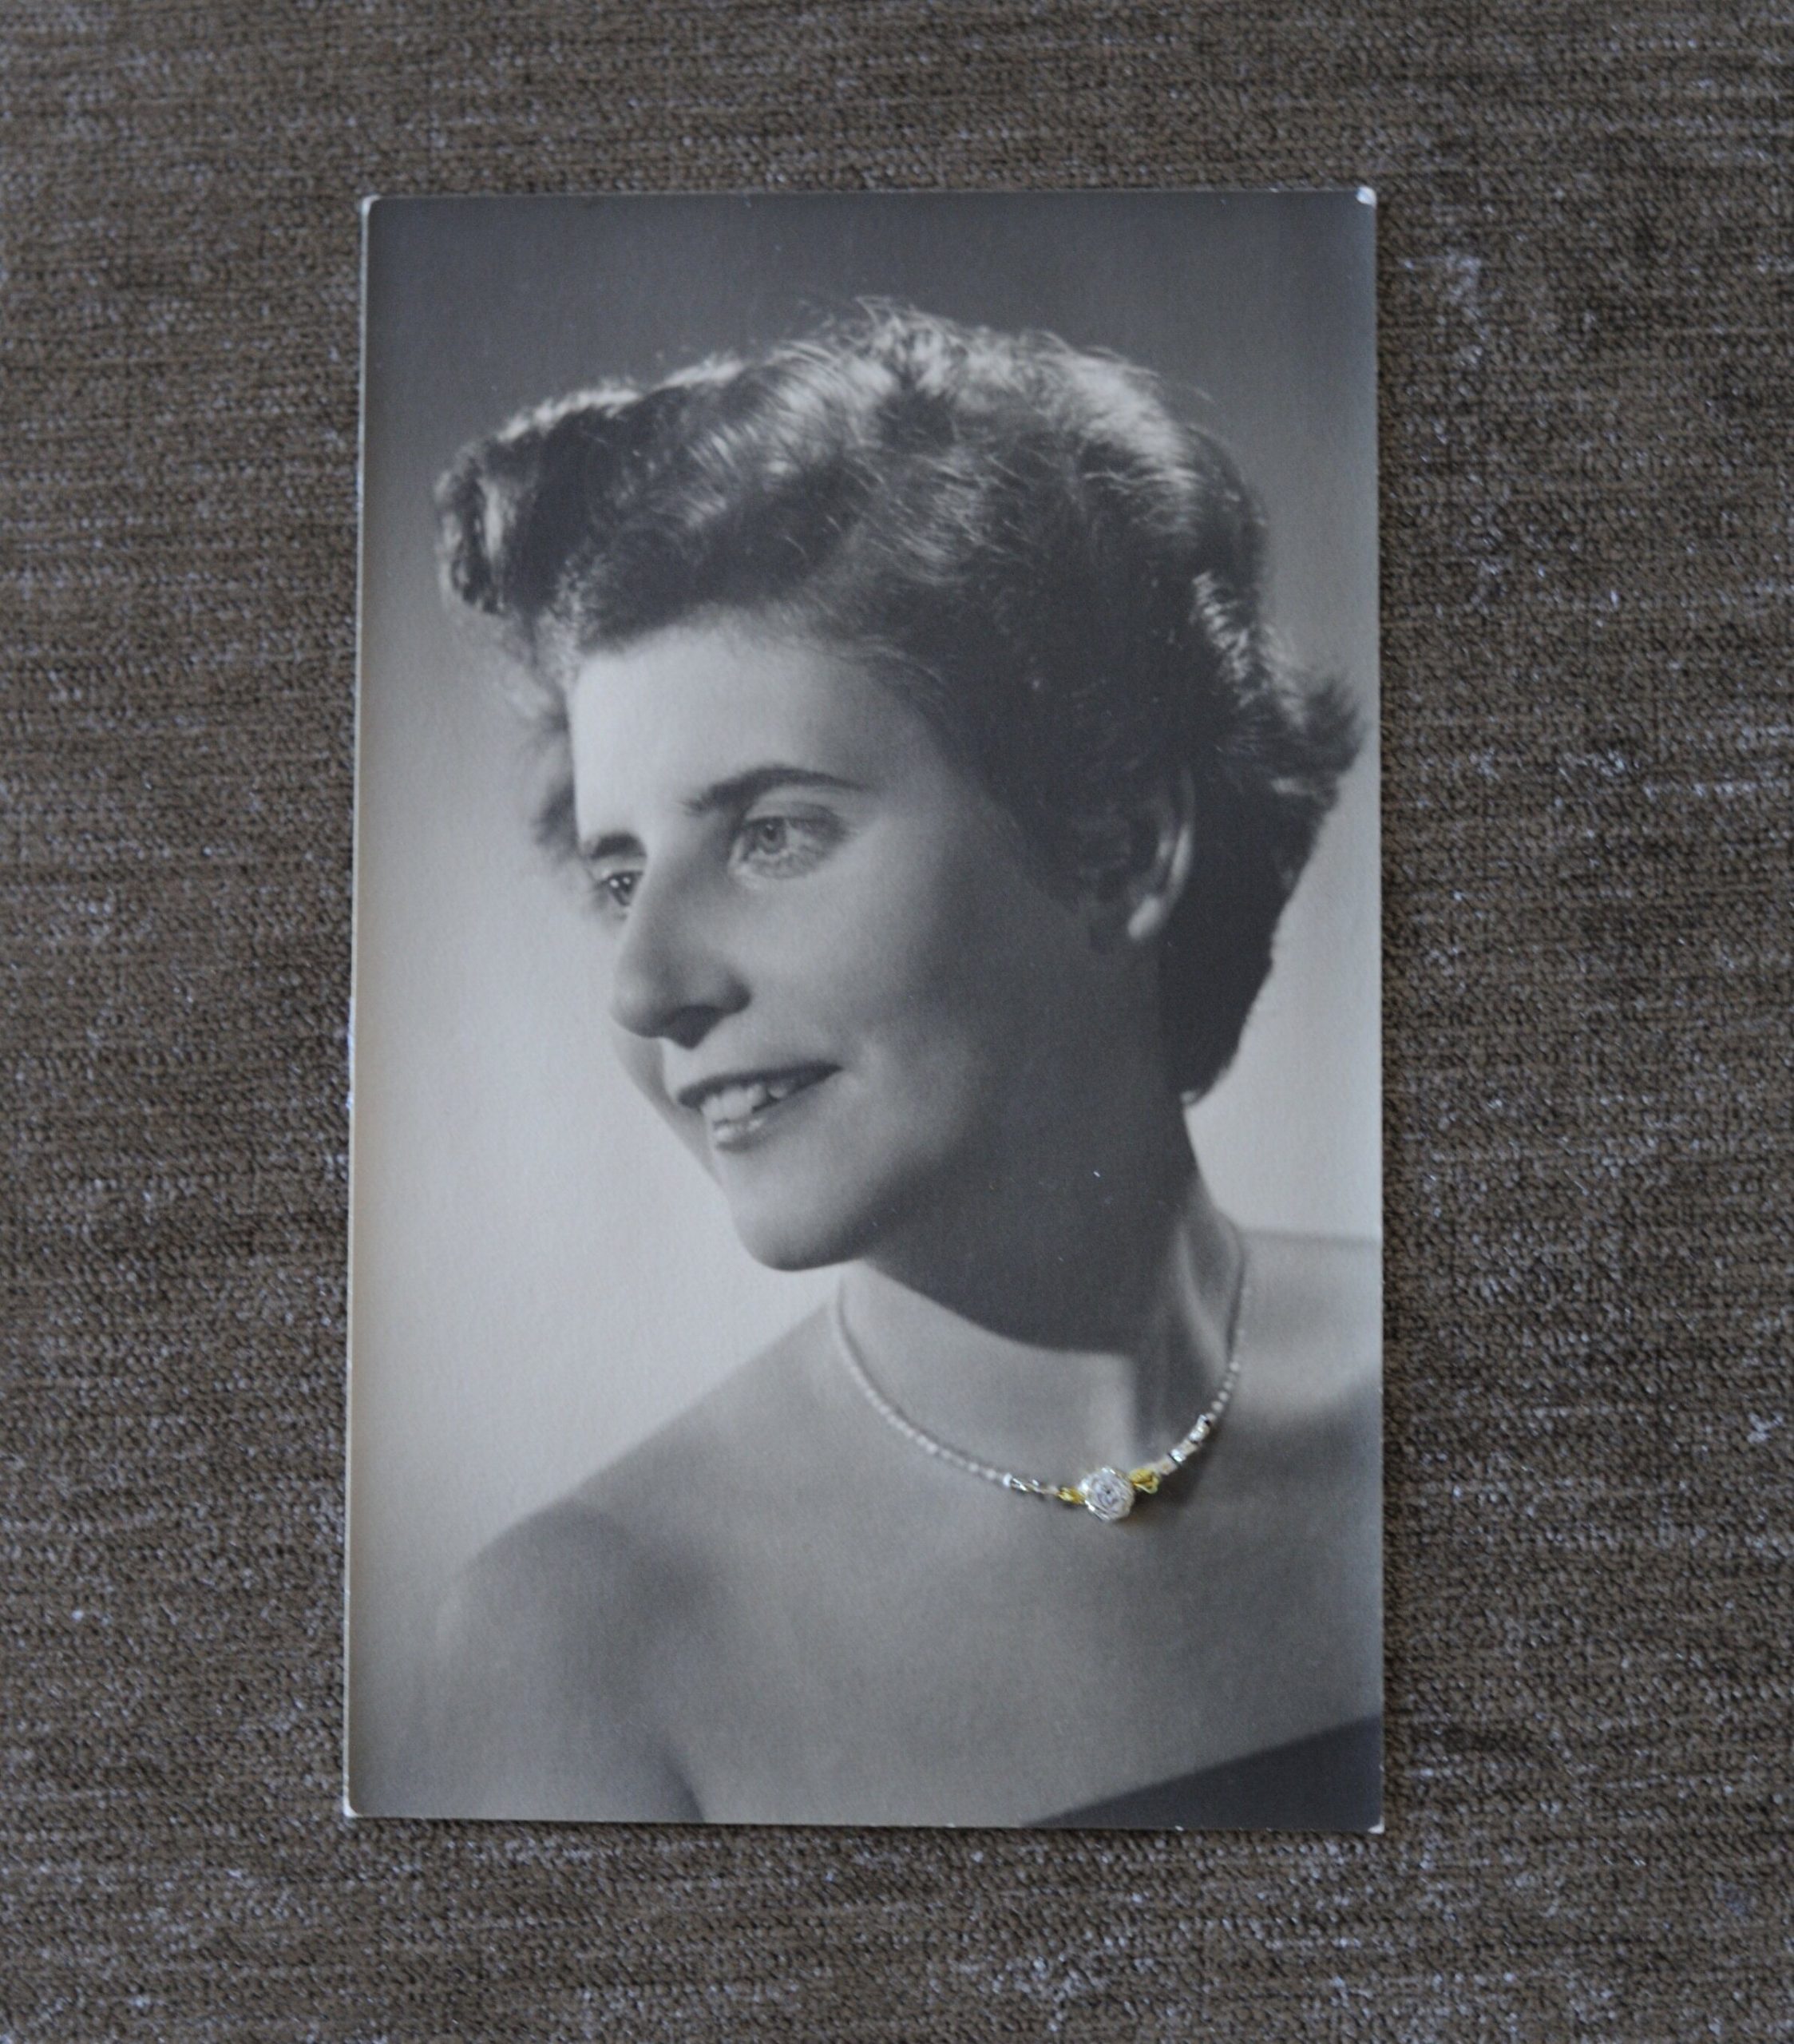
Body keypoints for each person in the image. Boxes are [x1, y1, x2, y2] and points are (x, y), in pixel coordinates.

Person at [419, 307, 1380, 1827]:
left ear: (1118, 851)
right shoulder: (577, 1656)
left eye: (772, 833)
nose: (647, 986)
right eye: (618, 876)